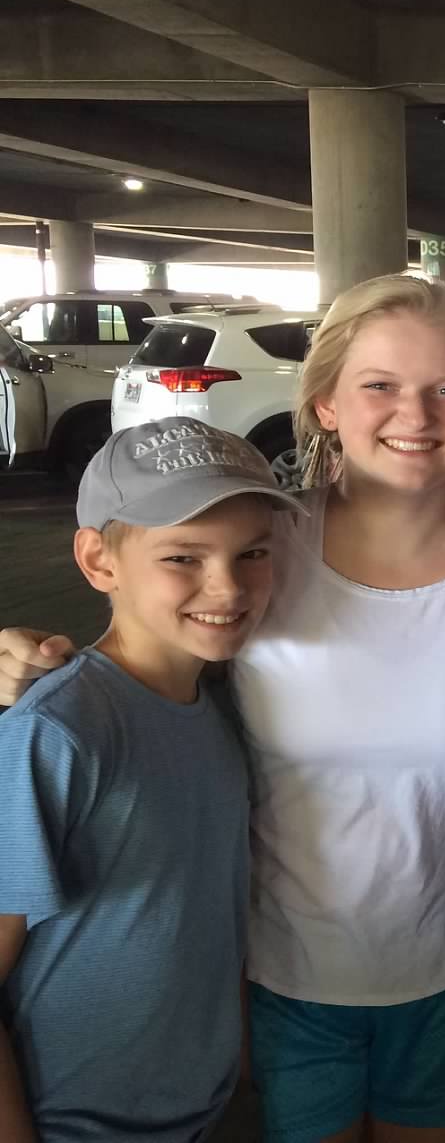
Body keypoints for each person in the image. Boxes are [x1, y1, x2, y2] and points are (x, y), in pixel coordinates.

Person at [0, 275, 445, 1143]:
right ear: (326, 402)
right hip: (284, 970)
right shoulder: (263, 541)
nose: (415, 412)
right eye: (379, 384)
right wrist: (27, 659)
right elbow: (143, 632)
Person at [1, 417, 301, 1142]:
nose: (226, 587)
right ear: (99, 562)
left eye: (251, 552)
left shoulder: (225, 709)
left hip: (200, 1112)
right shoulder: (58, 732)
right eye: (182, 557)